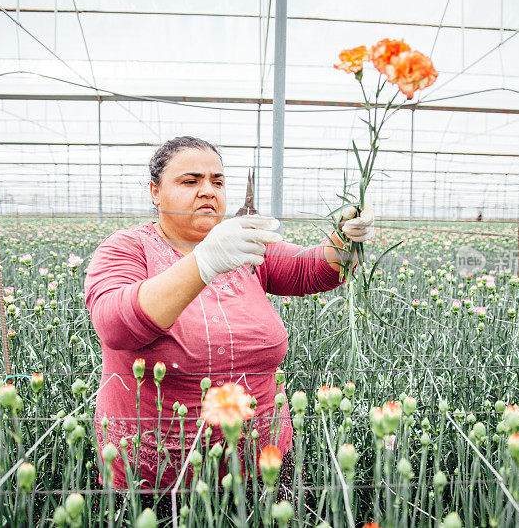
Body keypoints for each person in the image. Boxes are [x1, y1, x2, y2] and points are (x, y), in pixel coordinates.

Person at [84, 136, 374, 491]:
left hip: (262, 463)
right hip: (157, 476)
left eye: (217, 181)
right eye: (190, 181)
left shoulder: (241, 245)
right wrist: (204, 262)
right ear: (155, 192)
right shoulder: (128, 248)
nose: (208, 190)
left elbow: (311, 269)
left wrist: (345, 239)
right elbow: (116, 325)